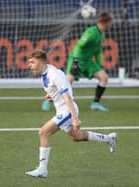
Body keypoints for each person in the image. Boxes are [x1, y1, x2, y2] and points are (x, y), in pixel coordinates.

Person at [26, 49, 117, 178]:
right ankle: (109, 138)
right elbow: (59, 88)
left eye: (32, 62)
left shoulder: (54, 74)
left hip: (67, 111)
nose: (29, 65)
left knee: (43, 132)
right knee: (77, 137)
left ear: (41, 62)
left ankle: (42, 169)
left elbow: (68, 97)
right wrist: (51, 95)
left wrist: (75, 119)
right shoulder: (46, 74)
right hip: (62, 109)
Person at [42, 12, 113, 112]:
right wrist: (75, 60)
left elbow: (97, 52)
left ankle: (96, 103)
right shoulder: (91, 32)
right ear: (107, 22)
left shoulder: (101, 35)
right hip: (78, 59)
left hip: (88, 62)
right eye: (111, 22)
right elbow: (79, 45)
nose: (111, 24)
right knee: (66, 82)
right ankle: (48, 99)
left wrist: (99, 65)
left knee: (104, 78)